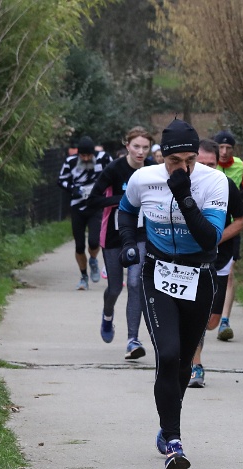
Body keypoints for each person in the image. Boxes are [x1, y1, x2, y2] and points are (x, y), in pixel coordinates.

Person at [116, 118, 228, 469]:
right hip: (158, 273)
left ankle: (167, 425)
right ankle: (174, 442)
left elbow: (210, 238)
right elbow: (125, 211)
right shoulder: (143, 179)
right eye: (174, 161)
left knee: (183, 364)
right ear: (161, 156)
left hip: (199, 276)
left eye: (190, 160)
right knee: (167, 354)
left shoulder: (214, 182)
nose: (183, 167)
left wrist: (184, 196)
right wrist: (129, 243)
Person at [87, 126, 153, 360]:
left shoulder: (153, 169)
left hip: (141, 233)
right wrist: (124, 199)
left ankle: (132, 340)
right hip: (114, 235)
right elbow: (93, 200)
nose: (141, 152)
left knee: (135, 283)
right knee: (115, 288)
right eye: (136, 146)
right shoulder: (114, 169)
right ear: (127, 146)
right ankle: (107, 316)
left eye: (145, 147)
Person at [187, 139, 243, 388]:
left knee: (212, 321)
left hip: (219, 257)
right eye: (200, 163)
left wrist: (213, 238)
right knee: (195, 313)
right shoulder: (182, 185)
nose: (206, 169)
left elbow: (242, 220)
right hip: (190, 260)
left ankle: (191, 350)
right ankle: (195, 365)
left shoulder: (225, 185)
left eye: (211, 164)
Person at [212, 130, 243, 341]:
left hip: (231, 226)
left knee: (229, 273)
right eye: (221, 147)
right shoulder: (206, 164)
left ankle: (224, 321)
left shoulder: (240, 165)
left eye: (228, 148)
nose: (224, 151)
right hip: (209, 224)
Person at [58, 136, 112, 290]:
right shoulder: (70, 162)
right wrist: (72, 189)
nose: (86, 158)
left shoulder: (104, 158)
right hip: (78, 207)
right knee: (79, 245)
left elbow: (114, 173)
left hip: (96, 206)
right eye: (83, 155)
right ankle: (83, 277)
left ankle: (93, 260)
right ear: (78, 154)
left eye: (89, 155)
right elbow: (61, 180)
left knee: (94, 241)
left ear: (94, 153)